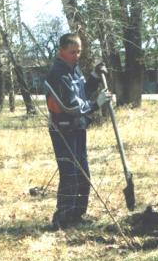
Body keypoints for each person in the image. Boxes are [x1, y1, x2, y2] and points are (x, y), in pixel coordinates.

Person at [44, 33, 111, 229]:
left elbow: (83, 91)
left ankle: (77, 215)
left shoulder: (74, 70)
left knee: (83, 175)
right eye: (72, 52)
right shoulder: (58, 74)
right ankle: (62, 219)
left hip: (78, 127)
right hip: (63, 129)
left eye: (79, 51)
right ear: (61, 51)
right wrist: (96, 105)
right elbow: (69, 106)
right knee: (70, 174)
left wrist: (95, 76)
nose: (77, 55)